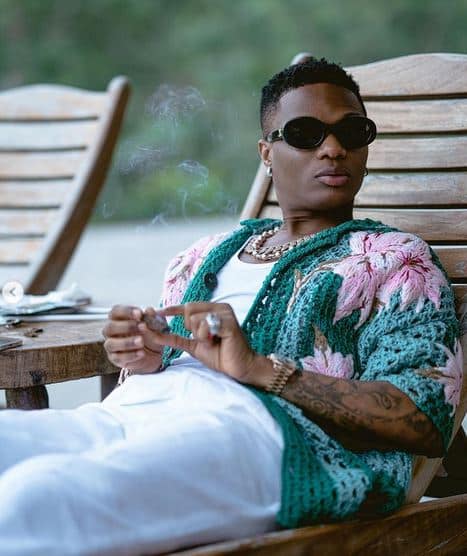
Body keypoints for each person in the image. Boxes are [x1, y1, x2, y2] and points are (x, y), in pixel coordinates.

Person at [0, 58, 462, 556]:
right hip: (132, 416)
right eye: (305, 133)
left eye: (352, 131)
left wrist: (261, 370)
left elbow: (424, 416)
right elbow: (166, 363)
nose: (333, 148)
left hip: (263, 440)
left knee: (37, 499)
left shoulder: (395, 260)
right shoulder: (199, 256)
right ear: (267, 152)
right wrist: (144, 356)